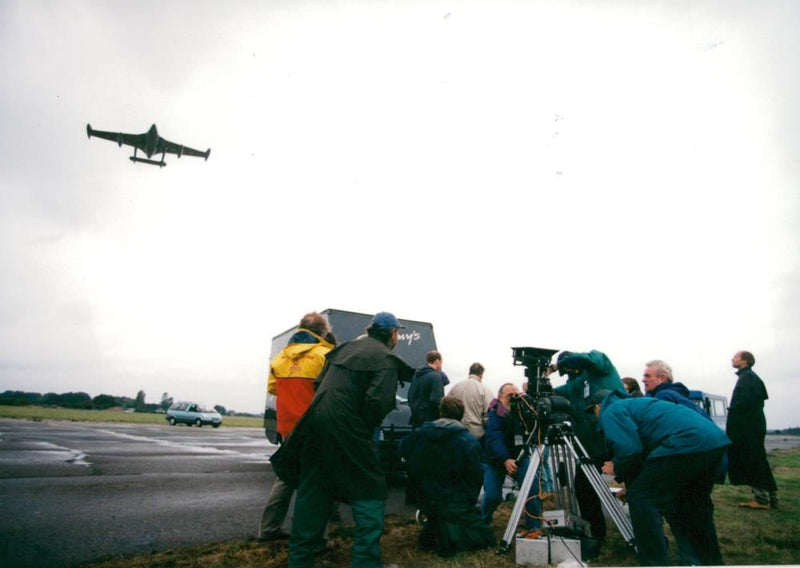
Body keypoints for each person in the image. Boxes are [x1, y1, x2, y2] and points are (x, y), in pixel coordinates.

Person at [271, 311, 411, 568]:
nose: (398, 337)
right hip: (348, 430)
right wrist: (358, 432)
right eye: (398, 333)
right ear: (391, 334)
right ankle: (366, 562)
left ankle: (300, 561)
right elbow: (376, 405)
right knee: (371, 492)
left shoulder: (342, 349)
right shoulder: (386, 359)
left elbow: (318, 384)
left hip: (312, 427)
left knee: (314, 490)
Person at [588, 389, 729, 566]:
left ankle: (654, 562)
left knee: (642, 498)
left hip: (686, 442)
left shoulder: (612, 410)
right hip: (713, 442)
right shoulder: (636, 405)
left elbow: (630, 451)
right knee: (695, 507)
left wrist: (616, 466)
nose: (595, 417)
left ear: (598, 406)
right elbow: (648, 451)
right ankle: (711, 561)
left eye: (593, 412)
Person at [259, 312, 335, 541]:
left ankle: (268, 529)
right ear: (322, 332)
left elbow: (273, 389)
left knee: (286, 477)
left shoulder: (281, 357)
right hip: (314, 427)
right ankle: (313, 537)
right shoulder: (325, 355)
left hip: (287, 428)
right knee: (316, 483)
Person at [400, 396, 496, 556]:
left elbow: (403, 449)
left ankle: (437, 530)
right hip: (455, 501)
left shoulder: (420, 434)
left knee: (441, 519)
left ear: (440, 412)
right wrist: (469, 501)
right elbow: (475, 477)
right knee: (485, 539)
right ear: (462, 415)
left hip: (425, 497)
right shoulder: (468, 440)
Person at [550, 350, 626, 542]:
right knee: (583, 487)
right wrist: (540, 382)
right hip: (591, 447)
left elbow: (591, 360)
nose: (569, 372)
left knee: (637, 488)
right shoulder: (573, 385)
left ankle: (645, 537)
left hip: (618, 438)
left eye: (569, 368)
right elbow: (556, 393)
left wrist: (557, 366)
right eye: (566, 370)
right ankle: (595, 533)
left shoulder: (599, 366)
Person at [481, 383, 541, 535]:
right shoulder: (494, 414)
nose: (513, 400)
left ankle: (533, 524)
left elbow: (533, 428)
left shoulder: (520, 412)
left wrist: (527, 402)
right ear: (500, 397)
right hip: (496, 460)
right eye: (509, 396)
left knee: (531, 486)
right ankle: (482, 522)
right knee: (492, 496)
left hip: (518, 457)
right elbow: (494, 439)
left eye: (516, 395)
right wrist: (505, 459)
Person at [727, 350, 778, 509]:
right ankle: (771, 497)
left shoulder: (748, 378)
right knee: (759, 461)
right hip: (753, 427)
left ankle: (762, 499)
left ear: (745, 361)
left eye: (735, 357)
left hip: (748, 429)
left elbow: (745, 406)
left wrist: (735, 420)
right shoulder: (749, 377)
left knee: (753, 461)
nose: (732, 359)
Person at [448, 362, 494, 443]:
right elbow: (489, 414)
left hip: (456, 433)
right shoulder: (485, 390)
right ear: (481, 375)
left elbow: (446, 408)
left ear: (470, 372)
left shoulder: (455, 388)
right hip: (477, 435)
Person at [641, 360, 706, 416]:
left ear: (662, 378)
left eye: (647, 376)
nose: (643, 380)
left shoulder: (663, 397)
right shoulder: (676, 395)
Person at [408, 350, 446, 428]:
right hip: (430, 422)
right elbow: (436, 400)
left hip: (416, 421)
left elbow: (410, 396)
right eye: (441, 363)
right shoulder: (436, 376)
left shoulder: (416, 376)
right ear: (437, 361)